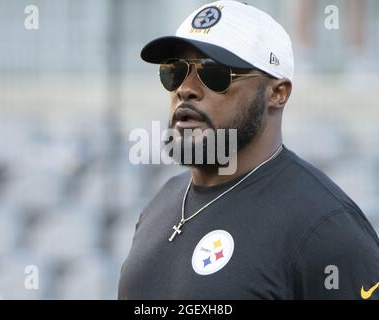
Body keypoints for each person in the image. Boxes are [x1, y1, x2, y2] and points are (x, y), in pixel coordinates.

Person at [118, 0, 379, 299]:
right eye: (175, 71)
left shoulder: (325, 226)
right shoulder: (160, 204)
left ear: (277, 93)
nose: (185, 89)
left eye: (214, 73)